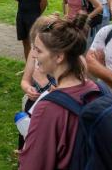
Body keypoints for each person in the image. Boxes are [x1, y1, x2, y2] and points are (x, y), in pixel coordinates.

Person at [18, 14, 100, 169]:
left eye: (39, 51)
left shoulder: (47, 108)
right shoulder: (95, 90)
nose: (34, 54)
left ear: (59, 57)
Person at [18, 15, 58, 150]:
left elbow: (65, 97)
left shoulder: (64, 64)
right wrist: (28, 88)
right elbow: (24, 80)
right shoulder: (34, 53)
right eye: (34, 47)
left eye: (38, 49)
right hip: (33, 109)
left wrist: (44, 83)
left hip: (52, 117)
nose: (34, 53)